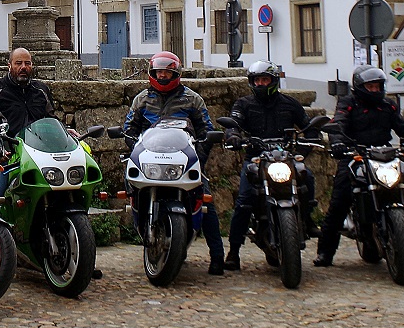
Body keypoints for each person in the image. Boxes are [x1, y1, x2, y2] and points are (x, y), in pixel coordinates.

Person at [123, 50, 227, 275]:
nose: (162, 76)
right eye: (159, 72)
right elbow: (129, 129)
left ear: (175, 74)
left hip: (182, 160)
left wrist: (198, 159)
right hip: (150, 160)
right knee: (130, 185)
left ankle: (217, 256)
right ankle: (141, 220)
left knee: (205, 200)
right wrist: (137, 152)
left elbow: (206, 130)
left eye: (167, 73)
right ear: (152, 73)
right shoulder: (141, 99)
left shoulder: (192, 99)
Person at [312, 65, 404, 268]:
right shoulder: (348, 104)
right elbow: (338, 122)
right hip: (356, 154)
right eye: (370, 86)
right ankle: (325, 252)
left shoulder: (388, 106)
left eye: (377, 86)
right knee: (340, 199)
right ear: (359, 87)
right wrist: (337, 142)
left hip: (384, 154)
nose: (374, 90)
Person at [222, 61, 319, 271]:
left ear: (273, 81)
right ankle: (234, 251)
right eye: (257, 80)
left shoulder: (290, 104)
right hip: (257, 159)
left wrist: (303, 150)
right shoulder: (243, 104)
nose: (261, 84)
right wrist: (234, 136)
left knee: (307, 177)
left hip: (285, 157)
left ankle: (308, 218)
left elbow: (309, 127)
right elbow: (234, 124)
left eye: (265, 80)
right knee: (244, 201)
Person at [0, 47, 55, 138]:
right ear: (9, 66)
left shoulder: (41, 90)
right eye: (18, 63)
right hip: (9, 146)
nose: (23, 67)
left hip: (38, 146)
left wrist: (65, 132)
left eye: (27, 63)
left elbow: (51, 119)